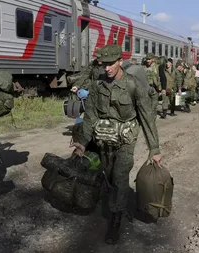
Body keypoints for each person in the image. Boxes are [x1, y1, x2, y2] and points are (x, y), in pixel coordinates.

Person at [70, 44, 162, 244]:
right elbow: (90, 115)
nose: (107, 68)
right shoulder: (97, 86)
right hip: (103, 138)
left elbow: (147, 117)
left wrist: (154, 149)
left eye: (111, 64)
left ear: (120, 61)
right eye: (104, 64)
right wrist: (83, 143)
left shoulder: (133, 85)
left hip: (125, 140)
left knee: (120, 176)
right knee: (109, 175)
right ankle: (115, 200)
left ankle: (115, 220)